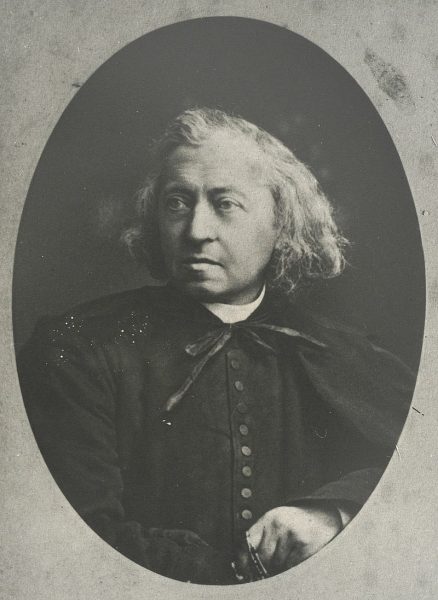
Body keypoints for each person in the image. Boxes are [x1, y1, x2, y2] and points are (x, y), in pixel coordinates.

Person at [18, 108, 415, 585]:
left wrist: (332, 514)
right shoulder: (78, 347)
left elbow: (420, 467)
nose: (196, 230)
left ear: (281, 222)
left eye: (225, 204)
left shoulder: (337, 348)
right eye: (177, 203)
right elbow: (72, 539)